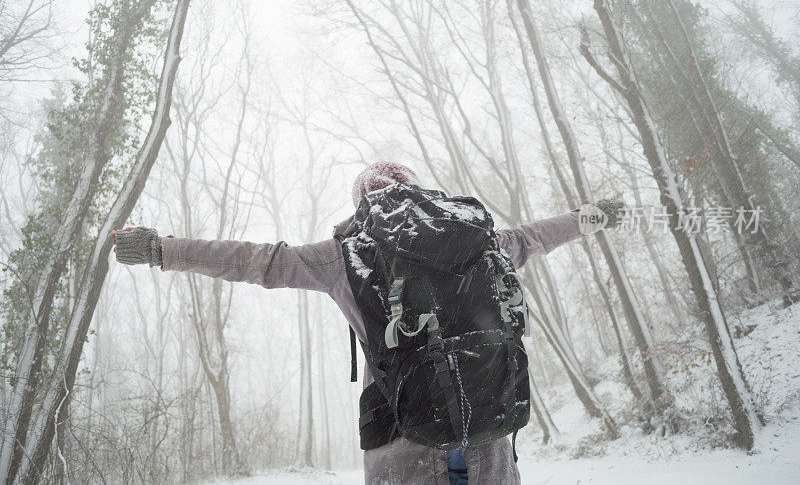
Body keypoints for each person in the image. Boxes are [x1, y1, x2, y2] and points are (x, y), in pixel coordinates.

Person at [111, 161, 624, 484]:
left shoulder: (348, 256)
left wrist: (162, 249)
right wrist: (594, 215)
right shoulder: (482, 241)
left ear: (363, 206)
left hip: (404, 446)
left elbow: (257, 261)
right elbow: (538, 235)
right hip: (487, 435)